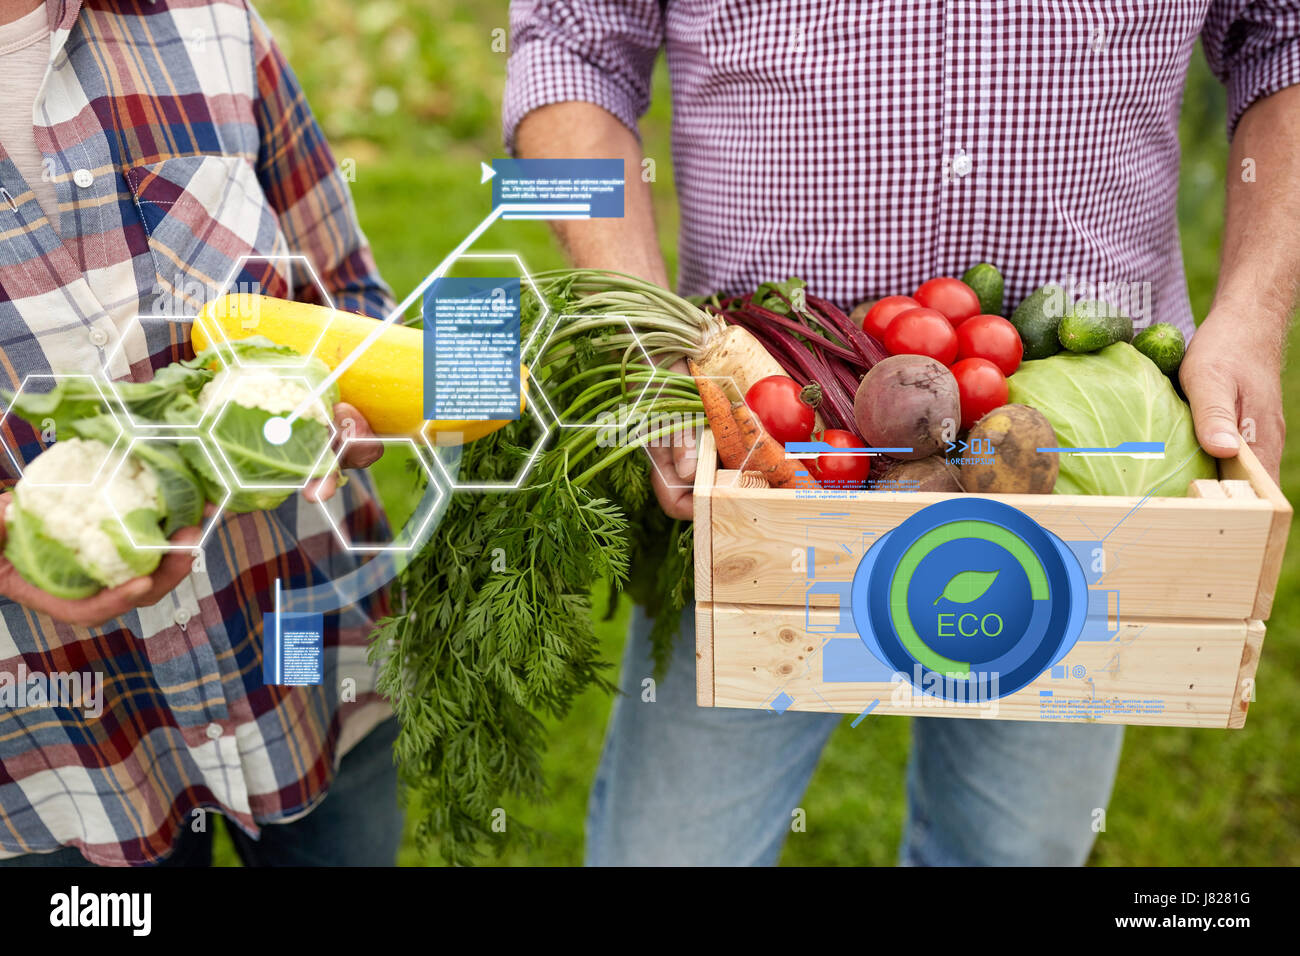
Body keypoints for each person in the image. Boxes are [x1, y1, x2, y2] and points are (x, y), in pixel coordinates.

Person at [504, 0, 1298, 865]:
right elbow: (568, 49)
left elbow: (1282, 36)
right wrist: (646, 334)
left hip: (1078, 478)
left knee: (1016, 850)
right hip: (764, 459)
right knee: (669, 851)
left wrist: (1255, 313)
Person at [0, 0, 399, 866]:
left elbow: (351, 298)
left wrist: (352, 412)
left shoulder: (210, 20)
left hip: (303, 663)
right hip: (62, 749)